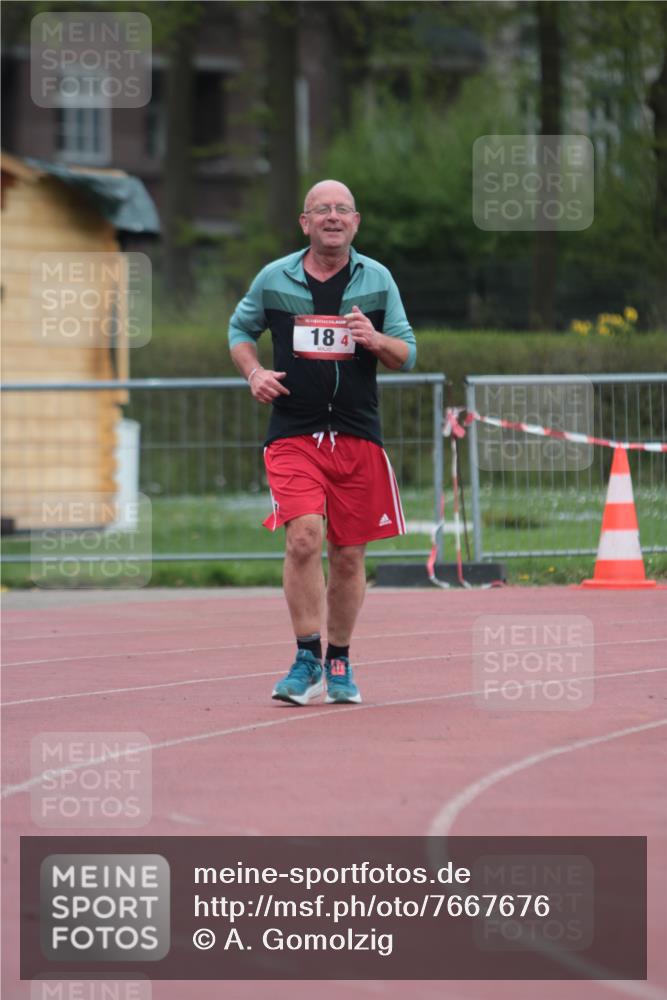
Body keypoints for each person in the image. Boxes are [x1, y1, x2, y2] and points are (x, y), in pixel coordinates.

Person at [228, 179, 416, 706]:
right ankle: (306, 656)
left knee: (349, 555)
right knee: (304, 538)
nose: (332, 217)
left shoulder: (377, 279)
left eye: (342, 210)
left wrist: (374, 339)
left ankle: (339, 660)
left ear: (356, 222)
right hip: (294, 431)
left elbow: (408, 352)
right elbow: (238, 331)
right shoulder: (274, 278)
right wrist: (254, 372)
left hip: (357, 432)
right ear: (304, 222)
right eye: (321, 210)